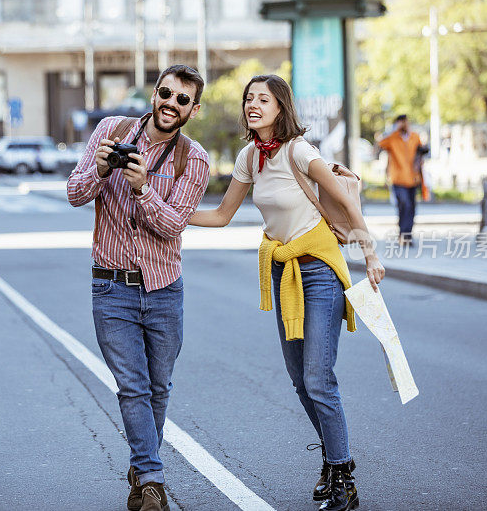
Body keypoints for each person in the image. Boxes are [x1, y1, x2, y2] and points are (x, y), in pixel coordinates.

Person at [189, 74, 384, 511]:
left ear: (281, 107)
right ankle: (334, 462)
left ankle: (343, 478)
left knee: (319, 377)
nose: (253, 104)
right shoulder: (249, 158)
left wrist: (370, 256)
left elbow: (349, 203)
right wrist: (166, 212)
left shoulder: (300, 151)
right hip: (284, 273)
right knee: (300, 380)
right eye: (248, 98)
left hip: (319, 272)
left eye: (263, 99)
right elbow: (221, 215)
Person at [67, 65, 209, 511]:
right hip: (112, 288)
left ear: (193, 109)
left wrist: (144, 188)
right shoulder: (112, 129)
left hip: (164, 289)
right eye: (165, 93)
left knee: (159, 387)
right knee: (133, 386)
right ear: (154, 93)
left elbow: (172, 225)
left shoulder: (195, 159)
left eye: (182, 99)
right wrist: (102, 170)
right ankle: (152, 481)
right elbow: (74, 193)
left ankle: (140, 466)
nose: (171, 103)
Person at [376, 114, 424, 244]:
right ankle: (403, 234)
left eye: (405, 122)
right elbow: (380, 143)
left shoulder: (415, 137)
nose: (404, 125)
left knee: (411, 208)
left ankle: (407, 235)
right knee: (404, 205)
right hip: (398, 179)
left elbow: (422, 151)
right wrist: (393, 130)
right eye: (401, 122)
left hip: (413, 179)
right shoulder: (392, 138)